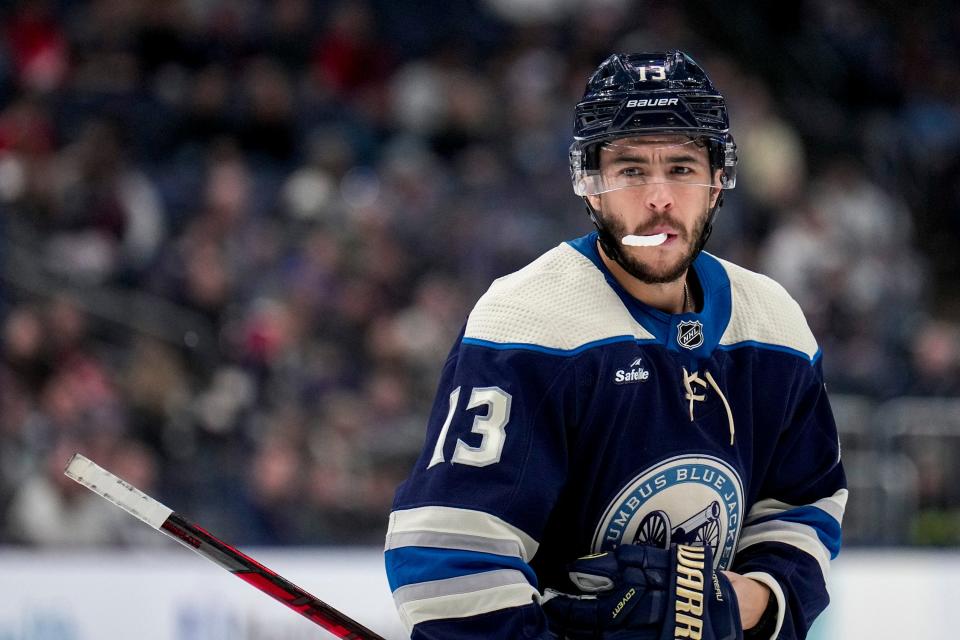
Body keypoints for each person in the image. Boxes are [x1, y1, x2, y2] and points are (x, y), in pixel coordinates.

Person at [384, 51, 846, 640]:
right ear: (591, 186)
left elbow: (805, 505)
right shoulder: (529, 322)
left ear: (716, 185)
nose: (658, 199)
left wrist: (743, 600)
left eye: (682, 169)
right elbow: (444, 562)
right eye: (630, 171)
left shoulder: (774, 325)